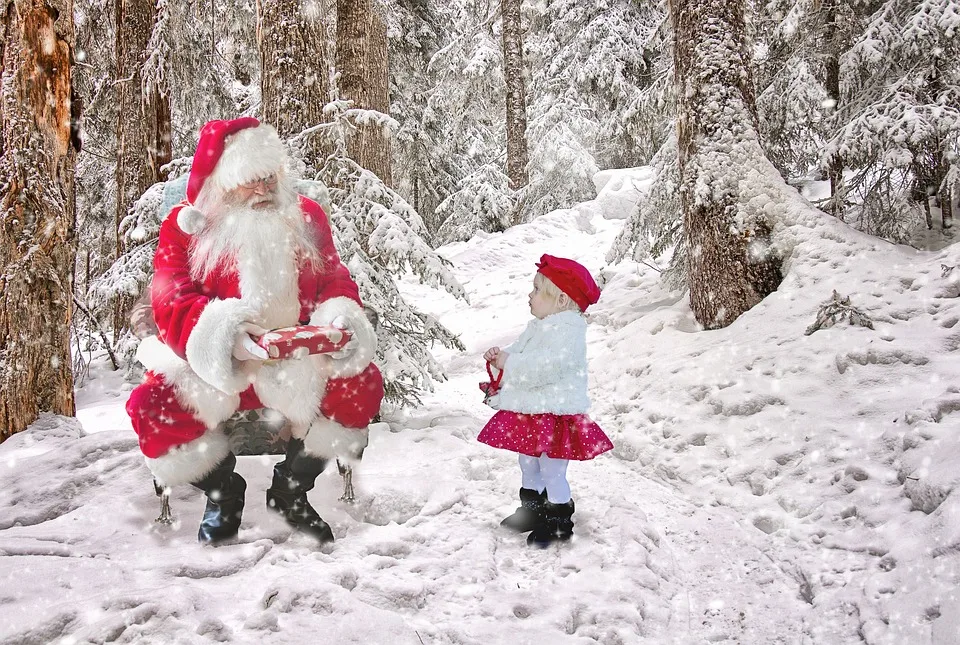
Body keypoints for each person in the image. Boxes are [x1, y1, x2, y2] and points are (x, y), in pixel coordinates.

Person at [126, 117, 384, 545]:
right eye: (251, 180)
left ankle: (291, 491)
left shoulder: (307, 217)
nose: (264, 188)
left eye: (270, 177)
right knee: (152, 406)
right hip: (217, 363)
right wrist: (225, 339)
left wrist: (338, 318)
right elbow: (169, 297)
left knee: (361, 385)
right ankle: (223, 494)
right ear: (224, 183)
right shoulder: (186, 227)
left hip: (294, 357)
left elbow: (334, 279)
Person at [477, 254, 613, 547]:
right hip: (532, 409)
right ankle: (533, 510)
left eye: (538, 289)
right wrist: (502, 358)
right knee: (528, 462)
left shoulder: (569, 331)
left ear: (562, 300)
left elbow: (547, 367)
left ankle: (559, 521)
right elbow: (521, 351)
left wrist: (509, 361)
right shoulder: (538, 325)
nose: (530, 294)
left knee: (551, 468)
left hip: (554, 411)